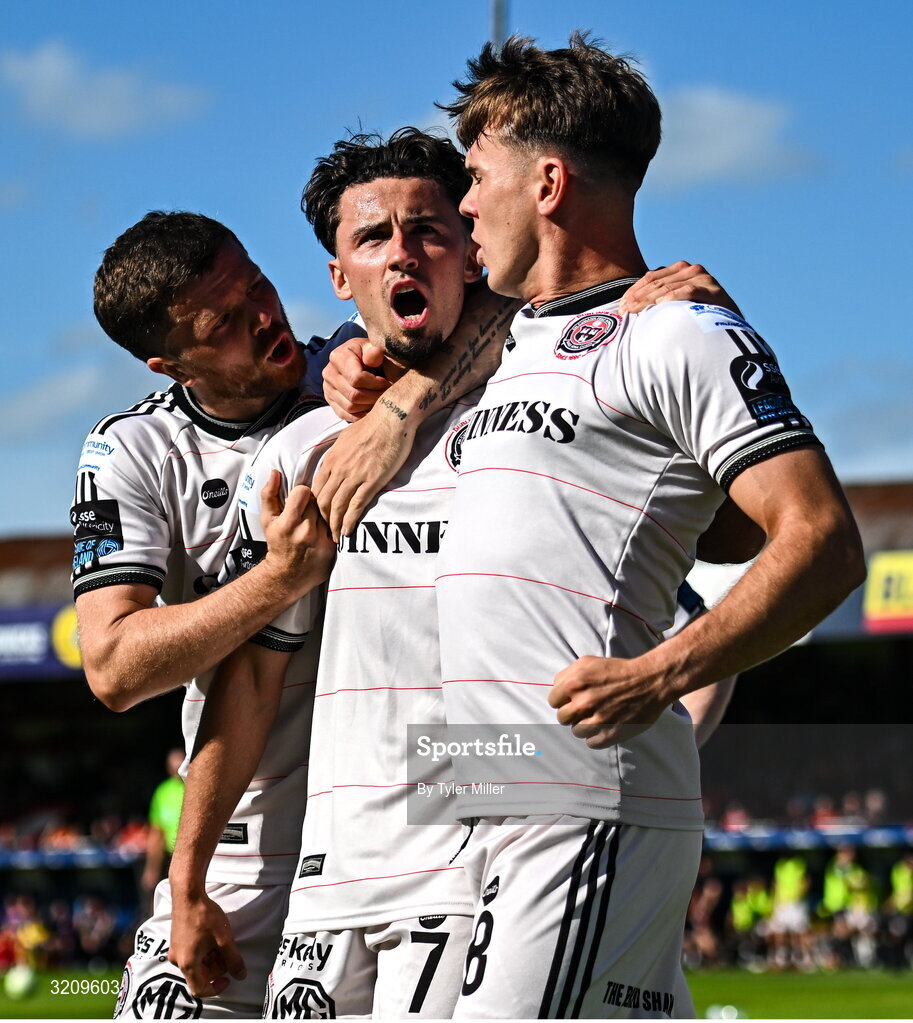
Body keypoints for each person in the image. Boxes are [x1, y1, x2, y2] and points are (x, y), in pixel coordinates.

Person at [166, 129, 746, 1018]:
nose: (401, 252)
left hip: (486, 872)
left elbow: (725, 547)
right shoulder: (302, 450)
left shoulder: (553, 404)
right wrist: (188, 874)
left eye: (429, 230)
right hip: (334, 875)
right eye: (371, 238)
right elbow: (250, 680)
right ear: (336, 276)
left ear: (471, 250)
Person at [433, 34, 865, 1017]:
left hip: (580, 796)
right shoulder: (510, 341)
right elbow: (674, 519)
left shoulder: (679, 329)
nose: (461, 206)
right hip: (485, 804)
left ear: (546, 183)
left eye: (473, 176)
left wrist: (659, 673)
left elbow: (822, 539)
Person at [74, 209, 481, 1018]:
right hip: (241, 842)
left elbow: (504, 309)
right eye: (223, 321)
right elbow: (114, 666)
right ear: (171, 362)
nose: (264, 315)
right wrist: (277, 579)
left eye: (256, 282)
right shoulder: (134, 452)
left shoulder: (359, 367)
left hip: (406, 835)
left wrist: (650, 290)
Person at [141, 749, 186, 908]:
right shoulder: (162, 792)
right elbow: (156, 831)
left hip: (195, 855)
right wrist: (151, 869)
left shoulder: (196, 785)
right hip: (171, 857)